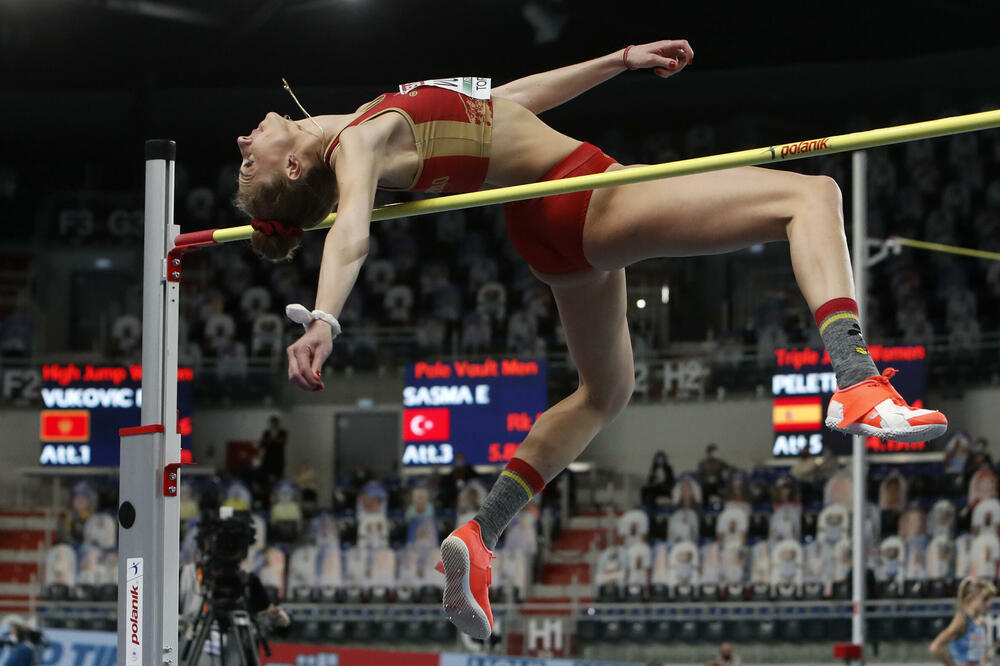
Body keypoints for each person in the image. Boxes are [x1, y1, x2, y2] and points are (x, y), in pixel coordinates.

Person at [235, 40, 948, 638]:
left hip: (544, 228)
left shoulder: (367, 122)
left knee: (605, 392)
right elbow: (351, 232)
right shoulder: (359, 142)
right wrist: (325, 320)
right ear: (295, 169)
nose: (242, 142)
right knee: (812, 196)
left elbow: (508, 103)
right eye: (247, 162)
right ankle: (857, 379)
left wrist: (617, 60)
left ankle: (481, 535)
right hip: (578, 190)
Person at [929, 576, 995, 666]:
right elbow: (935, 647)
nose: (989, 603)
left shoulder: (981, 622)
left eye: (990, 599)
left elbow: (982, 651)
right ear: (971, 597)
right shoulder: (961, 620)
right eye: (985, 599)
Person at [259, 415, 288, 483]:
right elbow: (262, 444)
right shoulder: (266, 433)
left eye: (275, 423)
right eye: (272, 423)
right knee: (266, 477)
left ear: (277, 423)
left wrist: (271, 440)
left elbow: (282, 442)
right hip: (268, 458)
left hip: (278, 458)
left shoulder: (282, 432)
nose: (273, 425)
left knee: (279, 478)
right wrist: (269, 441)